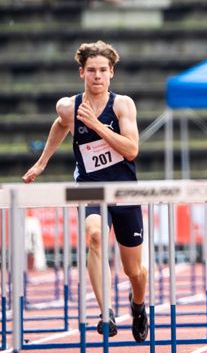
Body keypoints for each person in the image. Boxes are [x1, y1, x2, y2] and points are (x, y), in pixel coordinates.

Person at [22, 41, 149, 343]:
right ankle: (106, 312)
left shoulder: (122, 105)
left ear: (111, 74)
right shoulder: (70, 107)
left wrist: (97, 126)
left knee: (135, 271)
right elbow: (60, 124)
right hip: (89, 187)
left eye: (103, 70)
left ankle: (139, 304)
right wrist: (42, 163)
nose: (97, 76)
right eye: (91, 70)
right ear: (81, 73)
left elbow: (132, 150)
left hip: (123, 191)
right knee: (94, 236)